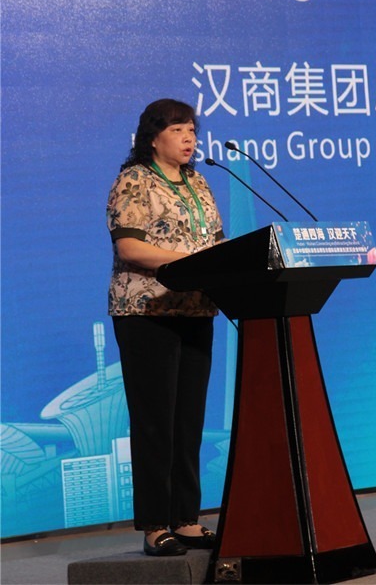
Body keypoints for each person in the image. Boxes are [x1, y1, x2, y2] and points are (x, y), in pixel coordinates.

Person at [106, 98, 225, 556]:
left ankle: (187, 519)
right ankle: (156, 525)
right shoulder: (134, 181)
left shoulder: (198, 182)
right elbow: (131, 248)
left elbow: (217, 243)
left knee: (189, 420)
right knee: (156, 422)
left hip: (196, 310)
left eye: (192, 129)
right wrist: (191, 260)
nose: (188, 138)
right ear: (153, 138)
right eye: (177, 129)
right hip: (146, 312)